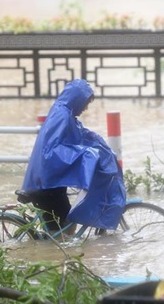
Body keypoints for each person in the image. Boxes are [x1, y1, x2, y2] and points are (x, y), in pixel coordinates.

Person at [21, 79, 126, 233]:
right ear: (77, 99)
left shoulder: (65, 113)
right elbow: (52, 151)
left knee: (66, 225)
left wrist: (98, 144)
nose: (86, 107)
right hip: (46, 183)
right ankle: (53, 254)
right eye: (85, 103)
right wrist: (86, 154)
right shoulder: (61, 115)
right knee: (62, 231)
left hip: (50, 181)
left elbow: (80, 136)